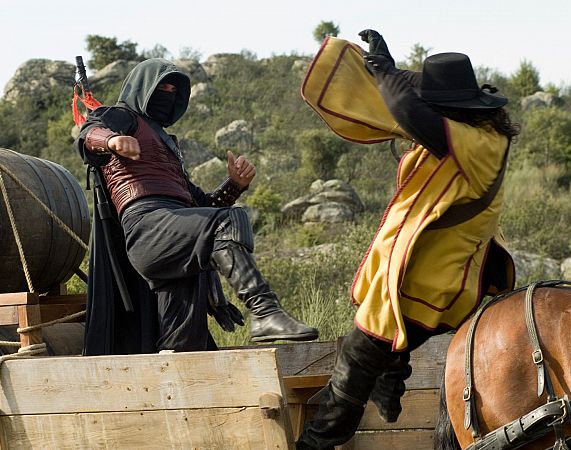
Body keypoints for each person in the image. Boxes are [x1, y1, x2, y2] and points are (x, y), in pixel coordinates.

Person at [296, 30, 518, 449]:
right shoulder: (478, 132)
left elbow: (405, 108)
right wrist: (389, 67)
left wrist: (386, 74)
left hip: (436, 281)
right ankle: (391, 380)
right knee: (376, 339)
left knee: (358, 354)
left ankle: (319, 440)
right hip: (426, 272)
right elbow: (412, 102)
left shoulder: (474, 144)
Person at [76, 58, 318, 354]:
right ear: (143, 87)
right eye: (162, 86)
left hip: (175, 237)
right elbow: (88, 133)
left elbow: (202, 205)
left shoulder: (168, 147)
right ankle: (266, 311)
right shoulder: (122, 117)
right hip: (148, 227)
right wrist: (112, 140)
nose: (169, 93)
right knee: (227, 220)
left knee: (185, 345)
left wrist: (235, 185)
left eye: (174, 90)